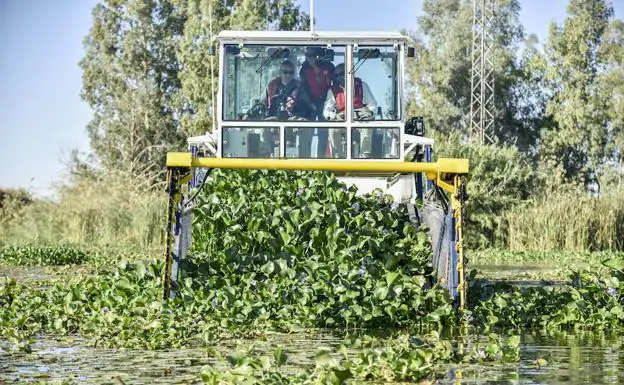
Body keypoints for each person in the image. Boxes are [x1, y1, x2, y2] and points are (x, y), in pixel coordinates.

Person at [323, 63, 378, 158]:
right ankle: (338, 156)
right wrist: (335, 116)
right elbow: (326, 111)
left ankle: (365, 155)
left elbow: (373, 105)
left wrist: (369, 114)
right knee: (333, 129)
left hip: (360, 119)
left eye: (343, 73)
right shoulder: (332, 90)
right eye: (338, 75)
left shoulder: (361, 85)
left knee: (367, 125)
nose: (341, 77)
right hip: (342, 120)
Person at [298, 47, 335, 158]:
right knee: (307, 131)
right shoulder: (304, 69)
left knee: (323, 133)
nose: (308, 58)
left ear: (318, 55)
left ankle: (321, 159)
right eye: (306, 55)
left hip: (326, 103)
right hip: (310, 104)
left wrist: (331, 103)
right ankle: (305, 160)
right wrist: (310, 104)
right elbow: (303, 88)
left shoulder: (328, 66)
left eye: (311, 55)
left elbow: (337, 83)